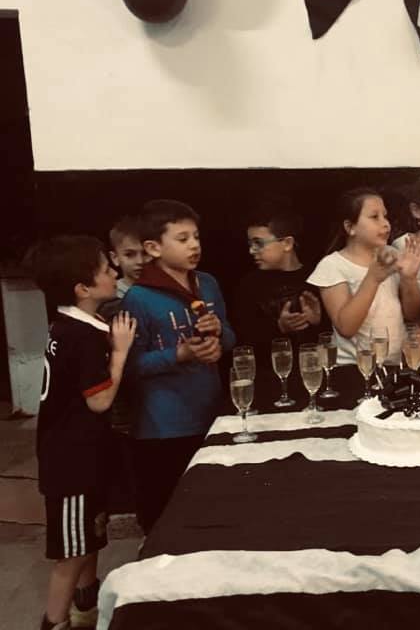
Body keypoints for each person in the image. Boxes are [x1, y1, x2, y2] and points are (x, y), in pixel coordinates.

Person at [24, 235, 137, 630]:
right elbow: (100, 400)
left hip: (83, 456)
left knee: (89, 537)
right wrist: (120, 352)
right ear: (83, 289)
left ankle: (86, 609)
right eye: (106, 269)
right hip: (71, 464)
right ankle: (55, 621)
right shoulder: (82, 336)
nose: (115, 273)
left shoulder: (69, 324)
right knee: (71, 552)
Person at [121, 199, 235, 535]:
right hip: (163, 426)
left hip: (210, 414)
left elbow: (230, 337)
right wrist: (178, 355)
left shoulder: (207, 283)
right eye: (182, 239)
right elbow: (128, 366)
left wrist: (219, 336)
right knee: (164, 518)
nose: (194, 245)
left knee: (211, 512)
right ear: (153, 248)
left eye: (196, 237)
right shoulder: (139, 298)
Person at [309, 187, 420, 365]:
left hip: (395, 364)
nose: (385, 224)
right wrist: (372, 278)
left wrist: (409, 279)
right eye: (374, 217)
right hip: (353, 368)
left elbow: (412, 314)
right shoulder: (332, 265)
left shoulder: (392, 255)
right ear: (350, 227)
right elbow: (346, 328)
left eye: (385, 216)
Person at [233, 200, 324, 407]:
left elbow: (331, 338)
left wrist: (318, 321)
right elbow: (242, 340)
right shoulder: (248, 285)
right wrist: (279, 327)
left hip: (312, 381)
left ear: (287, 243)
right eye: (250, 244)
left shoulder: (317, 277)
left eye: (258, 243)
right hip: (266, 387)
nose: (252, 250)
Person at [107, 215, 149, 300]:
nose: (140, 261)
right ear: (115, 258)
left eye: (145, 253)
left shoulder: (167, 291)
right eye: (129, 255)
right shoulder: (110, 296)